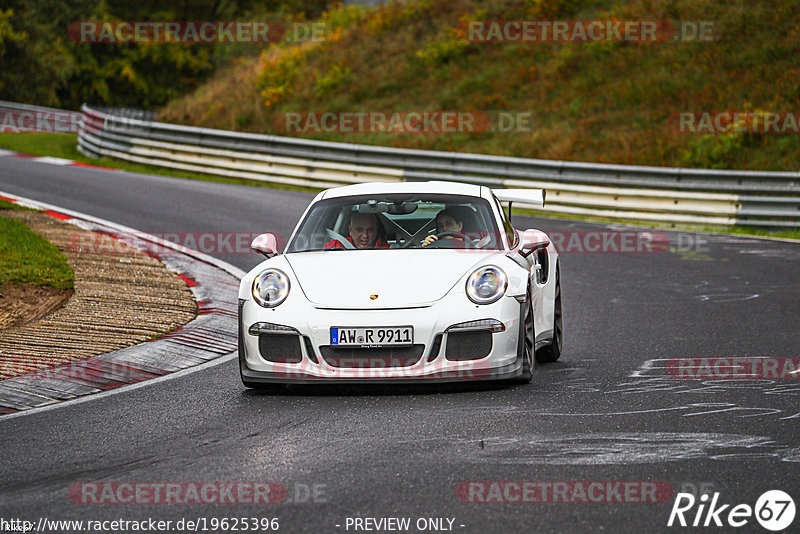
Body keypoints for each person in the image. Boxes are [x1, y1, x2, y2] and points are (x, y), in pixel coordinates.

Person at [323, 212, 390, 249]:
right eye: (359, 230)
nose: (365, 235)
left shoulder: (386, 250)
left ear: (376, 231)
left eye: (370, 230)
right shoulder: (334, 246)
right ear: (350, 230)